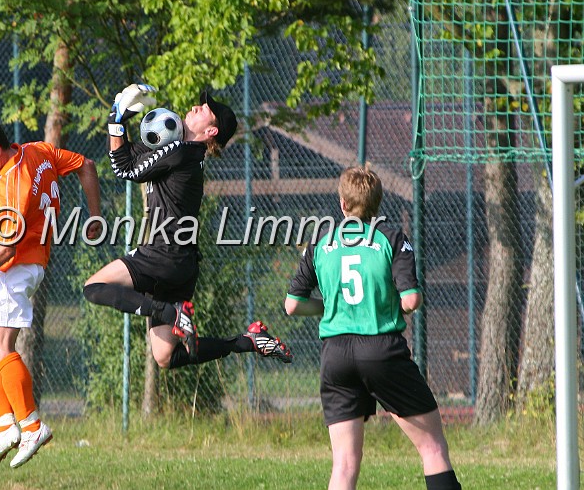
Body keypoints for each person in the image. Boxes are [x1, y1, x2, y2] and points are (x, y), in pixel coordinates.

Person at [83, 84, 292, 370]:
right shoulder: (182, 151)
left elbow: (123, 169)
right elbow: (129, 156)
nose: (197, 107)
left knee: (93, 287)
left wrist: (115, 118)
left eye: (206, 111)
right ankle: (246, 341)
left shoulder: (181, 152)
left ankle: (170, 312)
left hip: (162, 256)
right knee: (166, 357)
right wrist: (123, 119)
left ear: (211, 132)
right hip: (181, 266)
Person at [283, 165, 461, 490]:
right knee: (432, 446)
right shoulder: (391, 238)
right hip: (380, 349)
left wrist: (330, 306)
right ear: (378, 203)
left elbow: (293, 304)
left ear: (343, 204)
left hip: (335, 354)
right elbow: (410, 301)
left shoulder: (320, 242)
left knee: (345, 463)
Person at [0, 120, 101, 468]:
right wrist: (96, 215)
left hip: (18, 266)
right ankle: (5, 428)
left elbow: (6, 249)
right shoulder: (38, 150)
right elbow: (87, 165)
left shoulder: (10, 186)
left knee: (1, 348)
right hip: (8, 269)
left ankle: (32, 426)